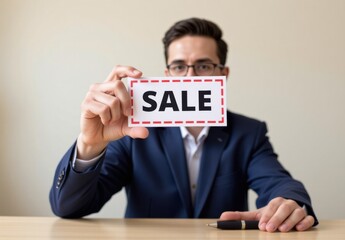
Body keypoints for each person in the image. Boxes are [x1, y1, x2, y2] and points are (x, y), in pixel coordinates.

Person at [50, 18, 318, 232]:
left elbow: (279, 184)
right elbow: (69, 208)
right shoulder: (133, 131)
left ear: (223, 74)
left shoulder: (248, 133)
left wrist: (289, 203)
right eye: (179, 67)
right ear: (167, 74)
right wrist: (89, 145)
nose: (190, 76)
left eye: (203, 66)